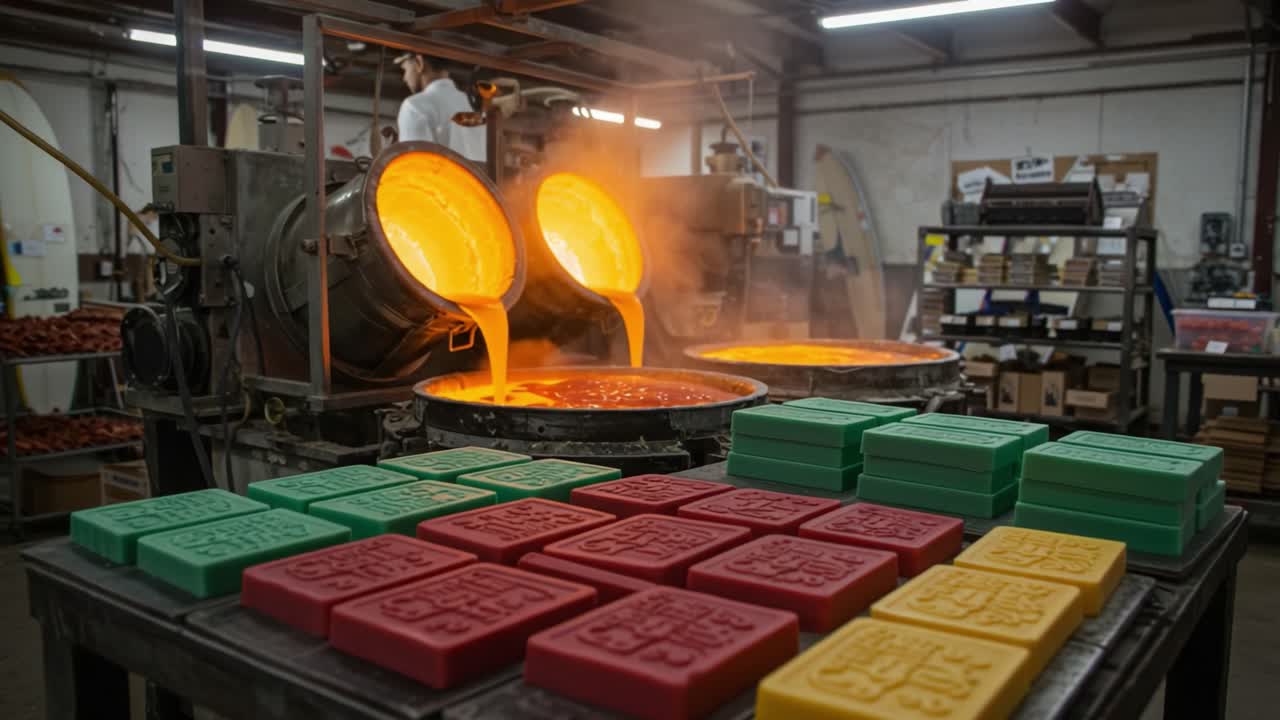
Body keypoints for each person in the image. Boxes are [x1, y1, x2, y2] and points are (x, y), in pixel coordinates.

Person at [393, 53, 486, 162]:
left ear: (419, 63)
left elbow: (416, 166)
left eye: (405, 69)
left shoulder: (415, 106)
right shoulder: (474, 106)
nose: (404, 78)